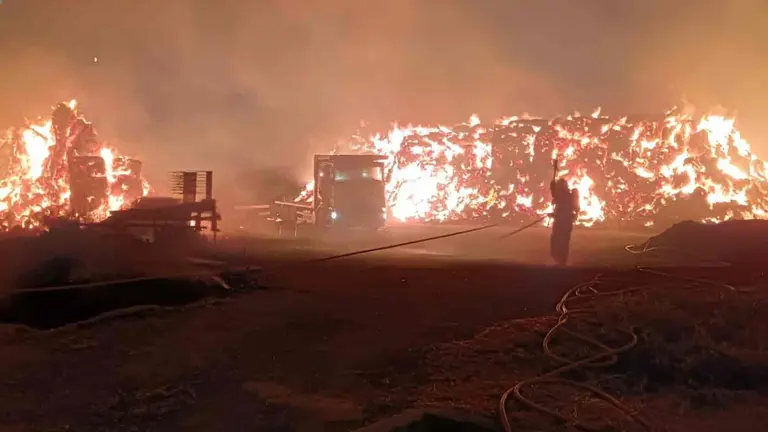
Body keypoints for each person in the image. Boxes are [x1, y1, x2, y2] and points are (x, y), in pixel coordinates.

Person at [549, 160, 580, 265]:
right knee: (556, 240)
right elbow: (553, 188)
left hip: (564, 223)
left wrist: (555, 215)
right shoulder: (560, 196)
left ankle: (562, 260)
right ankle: (559, 259)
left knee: (562, 241)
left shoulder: (568, 197)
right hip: (560, 222)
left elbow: (565, 212)